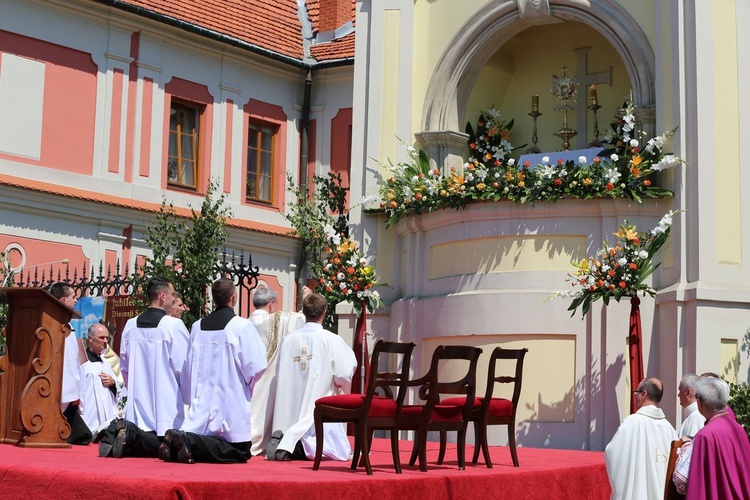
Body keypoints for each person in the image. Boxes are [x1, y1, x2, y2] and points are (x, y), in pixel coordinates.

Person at [160, 278, 267, 464]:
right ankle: (189, 442)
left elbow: (189, 365)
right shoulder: (241, 326)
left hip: (201, 399)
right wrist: (246, 388)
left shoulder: (197, 326)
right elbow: (256, 367)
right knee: (239, 451)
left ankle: (184, 443)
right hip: (230, 402)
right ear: (233, 298)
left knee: (210, 436)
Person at [98, 277, 189, 458]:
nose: (173, 299)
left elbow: (125, 367)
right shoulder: (174, 326)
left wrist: (135, 388)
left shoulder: (131, 325)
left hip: (139, 399)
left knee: (147, 435)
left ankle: (120, 434)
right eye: (172, 295)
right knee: (168, 443)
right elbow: (184, 367)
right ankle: (128, 436)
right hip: (166, 400)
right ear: (162, 296)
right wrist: (187, 397)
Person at [268, 293, 357, 461]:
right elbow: (344, 373)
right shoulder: (332, 340)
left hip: (289, 409)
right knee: (329, 448)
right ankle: (297, 447)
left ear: (303, 312)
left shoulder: (288, 341)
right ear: (325, 312)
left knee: (292, 429)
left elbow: (279, 373)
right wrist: (341, 385)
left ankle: (285, 442)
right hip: (318, 407)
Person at [249, 284, 307, 456]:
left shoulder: (245, 322)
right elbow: (300, 320)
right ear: (272, 303)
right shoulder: (273, 320)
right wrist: (304, 301)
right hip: (265, 381)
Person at [672, 376, 750, 498]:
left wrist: (686, 447)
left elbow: (680, 480)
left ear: (700, 403)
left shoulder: (705, 435)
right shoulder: (739, 429)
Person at [604, 377, 678, 500]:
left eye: (636, 392)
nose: (635, 396)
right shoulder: (669, 428)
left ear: (644, 394)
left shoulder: (631, 422)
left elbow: (612, 454)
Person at [49, 282, 91, 445]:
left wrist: (77, 393)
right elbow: (67, 365)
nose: (76, 300)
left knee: (83, 436)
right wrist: (73, 393)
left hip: (69, 396)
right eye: (73, 297)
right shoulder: (56, 328)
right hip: (59, 393)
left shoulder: (69, 329)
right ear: (63, 300)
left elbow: (75, 363)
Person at [80, 323, 124, 437]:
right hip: (89, 415)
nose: (105, 341)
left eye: (107, 338)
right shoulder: (82, 362)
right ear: (90, 338)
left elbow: (118, 390)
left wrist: (113, 383)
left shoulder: (106, 362)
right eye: (101, 337)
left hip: (107, 416)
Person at [677, 373, 704, 439]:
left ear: (688, 392)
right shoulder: (693, 415)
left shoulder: (696, 417)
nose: (678, 395)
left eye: (680, 390)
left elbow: (690, 447)